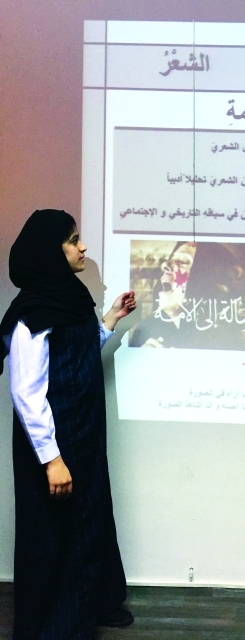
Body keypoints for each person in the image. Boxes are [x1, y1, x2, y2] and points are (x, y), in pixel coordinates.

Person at [0, 210, 136, 639]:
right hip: (55, 445)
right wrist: (51, 460)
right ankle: (54, 626)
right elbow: (26, 392)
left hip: (84, 433)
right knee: (53, 533)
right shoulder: (32, 313)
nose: (83, 247)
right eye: (74, 240)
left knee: (89, 518)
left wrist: (110, 319)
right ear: (50, 251)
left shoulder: (70, 297)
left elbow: (77, 352)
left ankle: (91, 605)